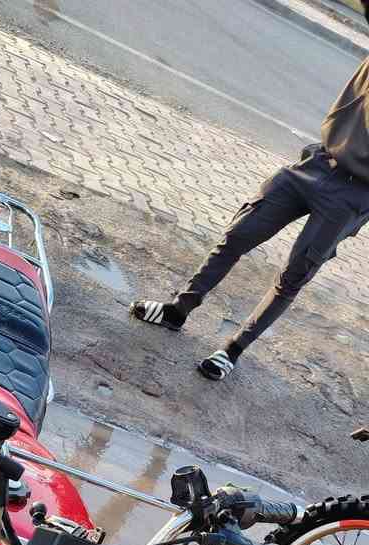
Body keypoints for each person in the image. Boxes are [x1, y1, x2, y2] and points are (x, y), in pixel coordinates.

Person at [131, 5, 369, 382]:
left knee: (294, 275)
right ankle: (178, 310)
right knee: (238, 234)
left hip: (353, 195)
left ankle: (233, 349)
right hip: (316, 164)